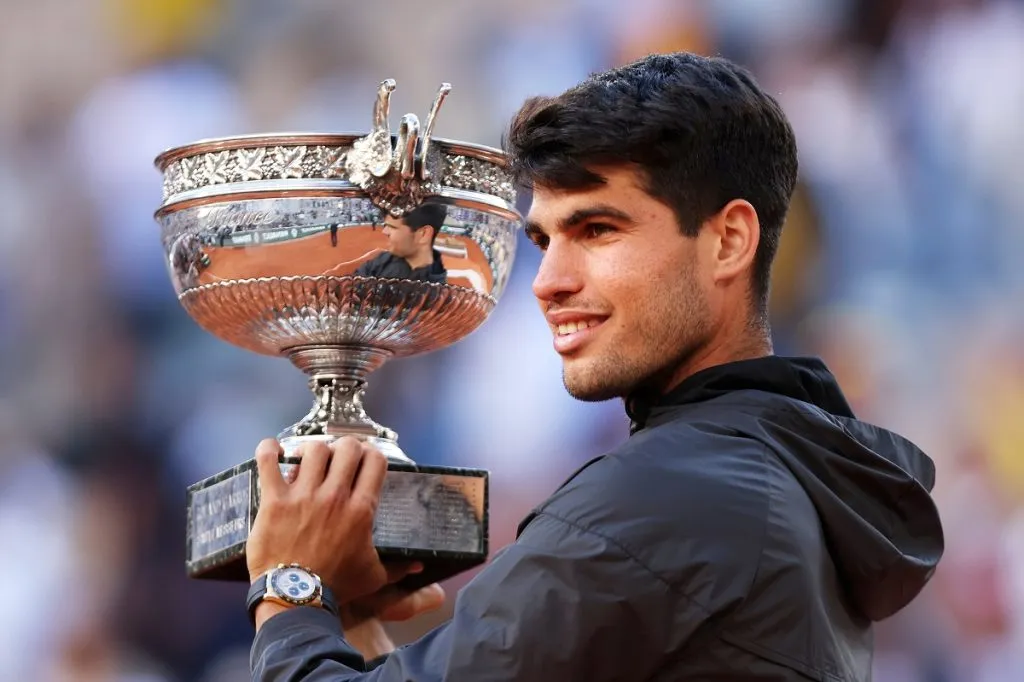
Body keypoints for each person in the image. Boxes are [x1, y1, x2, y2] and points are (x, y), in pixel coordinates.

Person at [245, 52, 944, 680]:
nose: (549, 283)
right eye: (543, 240)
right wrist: (343, 623)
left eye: (598, 229)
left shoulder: (673, 493)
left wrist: (288, 585)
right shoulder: (771, 475)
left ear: (729, 241)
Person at [353, 202, 448, 283]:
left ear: (423, 234)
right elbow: (357, 279)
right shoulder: (385, 258)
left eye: (393, 227)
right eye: (386, 225)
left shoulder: (434, 292)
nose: (384, 231)